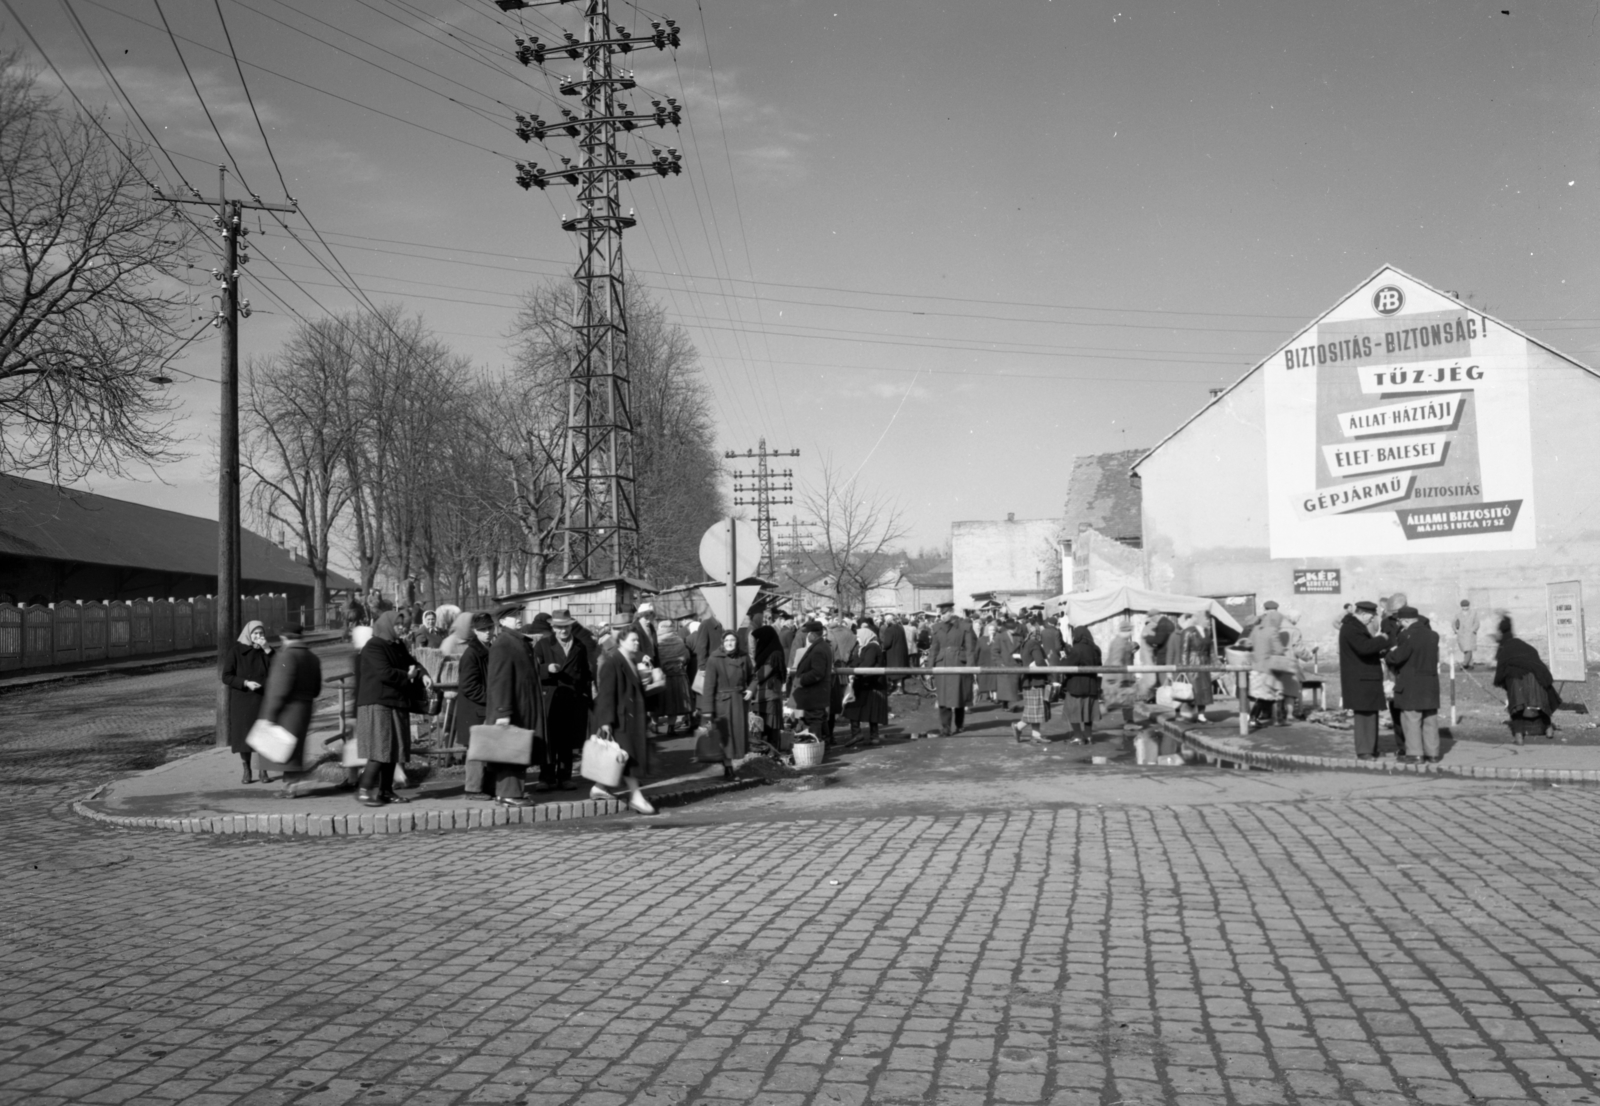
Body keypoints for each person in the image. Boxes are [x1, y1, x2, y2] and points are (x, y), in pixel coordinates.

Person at [354, 611, 426, 806]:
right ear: (387, 625)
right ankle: (364, 789)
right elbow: (384, 673)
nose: (402, 628)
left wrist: (423, 674)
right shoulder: (374, 646)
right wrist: (408, 676)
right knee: (380, 749)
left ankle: (386, 791)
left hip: (395, 701)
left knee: (393, 749)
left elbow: (412, 663)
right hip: (378, 703)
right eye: (398, 624)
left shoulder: (397, 645)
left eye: (403, 624)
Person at [592, 625, 656, 813]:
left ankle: (599, 787)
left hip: (632, 718)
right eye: (633, 640)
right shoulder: (613, 662)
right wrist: (605, 721)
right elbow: (606, 694)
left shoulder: (631, 661)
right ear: (621, 641)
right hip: (621, 721)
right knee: (630, 760)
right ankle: (636, 797)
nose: (637, 643)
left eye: (638, 640)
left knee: (622, 758)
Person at [529, 609, 591, 790]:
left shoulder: (580, 646)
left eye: (566, 626)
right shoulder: (542, 645)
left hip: (572, 699)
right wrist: (546, 669)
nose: (563, 631)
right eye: (559, 627)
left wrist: (586, 694)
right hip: (550, 699)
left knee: (567, 740)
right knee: (549, 740)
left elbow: (585, 674)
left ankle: (565, 777)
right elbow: (531, 671)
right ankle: (546, 777)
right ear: (553, 627)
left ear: (571, 625)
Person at [482, 604, 537, 806]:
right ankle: (509, 794)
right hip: (511, 708)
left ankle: (510, 793)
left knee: (516, 750)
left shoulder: (515, 641)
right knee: (509, 751)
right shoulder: (504, 644)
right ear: (503, 622)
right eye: (513, 616)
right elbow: (500, 680)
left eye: (519, 614)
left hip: (520, 706)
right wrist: (503, 712)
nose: (518, 617)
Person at [258, 624, 323, 796]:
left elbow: (277, 690)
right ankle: (290, 785)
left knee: (284, 749)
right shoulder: (313, 657)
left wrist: (268, 715)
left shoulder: (286, 656)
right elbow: (317, 690)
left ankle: (291, 786)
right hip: (306, 708)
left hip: (288, 710)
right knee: (295, 748)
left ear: (284, 638)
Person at [1493, 615, 1561, 743]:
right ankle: (1548, 730)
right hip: (1537, 679)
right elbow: (1542, 668)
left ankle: (1519, 735)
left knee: (1517, 705)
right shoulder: (1529, 649)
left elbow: (1500, 672)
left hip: (1516, 679)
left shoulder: (1505, 650)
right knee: (1542, 704)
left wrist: (1504, 685)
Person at [222, 619, 273, 784]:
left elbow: (281, 667)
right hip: (243, 700)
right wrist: (245, 683)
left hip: (263, 699)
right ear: (248, 634)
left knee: (263, 736)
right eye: (255, 634)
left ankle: (263, 770)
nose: (259, 637)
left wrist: (267, 649)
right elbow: (227, 676)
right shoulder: (236, 651)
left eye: (261, 633)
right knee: (245, 737)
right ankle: (247, 769)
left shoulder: (266, 651)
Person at [1387, 606, 1441, 763]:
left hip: (1411, 683)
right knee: (1430, 719)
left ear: (1405, 621)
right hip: (1430, 682)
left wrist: (1390, 653)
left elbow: (1399, 657)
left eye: (1400, 622)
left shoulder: (1406, 635)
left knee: (1411, 719)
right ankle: (1433, 754)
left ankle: (1415, 754)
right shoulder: (1433, 635)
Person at [1338, 601, 1390, 759]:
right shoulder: (1352, 628)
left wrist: (1379, 651)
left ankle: (1370, 748)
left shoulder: (1353, 626)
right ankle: (1365, 751)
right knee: (1365, 717)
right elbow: (1364, 648)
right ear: (1363, 614)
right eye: (1372, 616)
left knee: (1370, 715)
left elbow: (1363, 649)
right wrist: (1382, 638)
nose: (1372, 619)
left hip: (1363, 678)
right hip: (1361, 679)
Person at [700, 628, 753, 778]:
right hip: (722, 704)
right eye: (727, 640)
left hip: (739, 702)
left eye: (733, 640)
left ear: (737, 642)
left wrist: (751, 689)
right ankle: (728, 769)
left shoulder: (744, 657)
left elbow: (753, 676)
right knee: (725, 737)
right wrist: (707, 710)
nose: (730, 643)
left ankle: (731, 765)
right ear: (722, 642)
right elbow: (709, 686)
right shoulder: (714, 658)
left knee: (736, 736)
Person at [453, 612, 494, 800]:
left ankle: (483, 787)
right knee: (476, 752)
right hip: (476, 709)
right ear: (475, 632)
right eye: (483, 630)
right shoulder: (472, 654)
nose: (488, 632)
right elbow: (469, 686)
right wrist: (492, 699)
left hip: (482, 708)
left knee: (484, 750)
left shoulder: (487, 649)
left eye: (490, 628)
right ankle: (473, 790)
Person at [925, 601, 978, 735]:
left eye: (944, 614)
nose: (941, 616)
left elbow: (971, 649)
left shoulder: (965, 627)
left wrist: (970, 668)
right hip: (942, 665)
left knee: (959, 696)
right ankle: (945, 727)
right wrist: (928, 669)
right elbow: (934, 649)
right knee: (943, 698)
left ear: (950, 612)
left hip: (959, 663)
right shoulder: (937, 628)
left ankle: (959, 725)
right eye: (940, 614)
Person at [843, 623, 888, 745]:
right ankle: (868, 735)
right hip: (866, 683)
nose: (857, 639)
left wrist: (854, 673)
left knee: (864, 709)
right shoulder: (864, 647)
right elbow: (856, 661)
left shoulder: (872, 647)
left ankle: (863, 735)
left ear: (865, 636)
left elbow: (867, 663)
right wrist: (851, 668)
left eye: (859, 637)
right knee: (861, 709)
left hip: (872, 684)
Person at [790, 620, 832, 744]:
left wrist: (800, 679)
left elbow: (817, 673)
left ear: (813, 634)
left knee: (814, 720)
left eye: (808, 633)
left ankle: (816, 747)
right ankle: (821, 746)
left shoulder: (818, 648)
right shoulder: (821, 646)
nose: (807, 636)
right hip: (817, 693)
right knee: (817, 719)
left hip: (815, 693)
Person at [1014, 615, 1052, 745]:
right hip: (1035, 681)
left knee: (1035, 710)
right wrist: (1048, 665)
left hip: (1027, 681)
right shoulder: (1034, 643)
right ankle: (1018, 727)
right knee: (1035, 710)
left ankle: (1036, 735)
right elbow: (1040, 662)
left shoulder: (1025, 643)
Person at [654, 617, 694, 734]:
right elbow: (686, 657)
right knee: (674, 704)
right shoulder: (679, 640)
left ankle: (655, 725)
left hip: (661, 676)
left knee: (657, 703)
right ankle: (671, 728)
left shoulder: (656, 641)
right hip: (677, 676)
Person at [1063, 625, 1102, 743]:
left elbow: (1067, 667)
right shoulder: (1096, 648)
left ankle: (1078, 736)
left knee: (1073, 712)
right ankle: (1089, 736)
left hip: (1076, 686)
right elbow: (1099, 666)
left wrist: (1064, 658)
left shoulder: (1076, 649)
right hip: (1091, 686)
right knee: (1088, 712)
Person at [1175, 612, 1214, 723]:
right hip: (1192, 664)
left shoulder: (1206, 632)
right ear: (1200, 619)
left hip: (1204, 664)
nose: (1208, 622)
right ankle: (1185, 714)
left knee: (1204, 690)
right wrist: (1184, 668)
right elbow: (1184, 651)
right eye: (1207, 619)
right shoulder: (1188, 631)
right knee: (1191, 691)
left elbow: (1210, 650)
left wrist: (1215, 663)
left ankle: (1201, 715)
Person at [1101, 617, 1139, 729]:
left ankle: (1129, 723)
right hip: (1118, 679)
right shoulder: (1119, 643)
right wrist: (1120, 681)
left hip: (1121, 678)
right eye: (1131, 630)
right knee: (1112, 704)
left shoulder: (1122, 642)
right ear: (1127, 630)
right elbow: (1117, 663)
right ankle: (1091, 718)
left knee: (1126, 701)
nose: (1132, 632)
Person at [992, 619, 1021, 711]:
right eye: (1015, 627)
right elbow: (994, 651)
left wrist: (1020, 656)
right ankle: (1007, 705)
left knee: (1012, 686)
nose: (1017, 628)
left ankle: (1008, 705)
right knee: (1006, 686)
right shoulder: (999, 637)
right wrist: (1000, 663)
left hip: (1015, 663)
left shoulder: (1019, 637)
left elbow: (1021, 648)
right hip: (1004, 664)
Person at [880, 613, 909, 694]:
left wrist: (882, 645)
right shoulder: (900, 627)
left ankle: (898, 689)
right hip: (901, 652)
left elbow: (887, 643)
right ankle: (899, 687)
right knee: (900, 670)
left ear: (888, 621)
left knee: (895, 671)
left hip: (893, 653)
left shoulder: (889, 629)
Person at [1454, 599, 1481, 669]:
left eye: (1466, 606)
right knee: (1465, 649)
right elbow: (1454, 623)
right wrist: (1456, 630)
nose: (1465, 607)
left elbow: (1477, 623)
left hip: (1470, 634)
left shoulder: (1473, 613)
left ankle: (1465, 664)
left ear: (1469, 606)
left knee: (1468, 649)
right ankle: (1470, 664)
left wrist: (1473, 630)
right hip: (1461, 634)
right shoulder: (1458, 614)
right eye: (1463, 606)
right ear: (1461, 606)